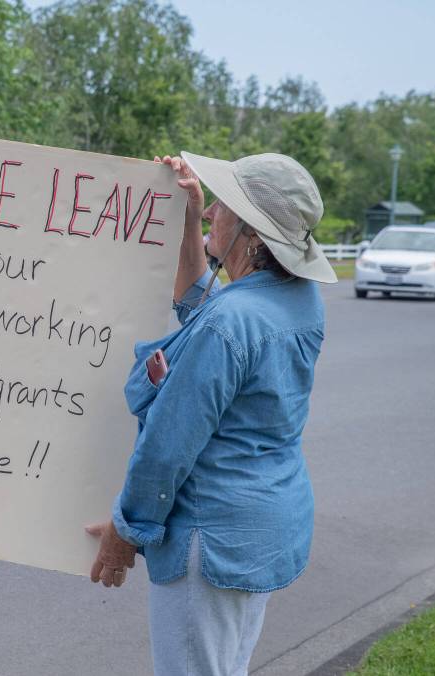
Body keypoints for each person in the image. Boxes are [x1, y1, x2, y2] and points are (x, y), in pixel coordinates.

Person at [85, 151, 337, 675]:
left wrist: (126, 532)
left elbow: (167, 445)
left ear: (252, 235)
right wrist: (187, 225)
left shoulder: (230, 324)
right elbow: (206, 308)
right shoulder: (297, 300)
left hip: (212, 536)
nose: (209, 212)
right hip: (259, 527)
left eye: (221, 205)